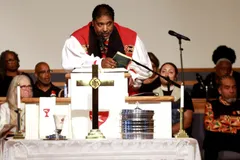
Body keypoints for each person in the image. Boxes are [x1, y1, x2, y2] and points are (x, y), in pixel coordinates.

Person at [62, 4, 152, 92]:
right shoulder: (78, 39)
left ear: (113, 21)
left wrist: (129, 77)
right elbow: (71, 65)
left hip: (123, 94)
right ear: (93, 23)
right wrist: (99, 64)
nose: (105, 29)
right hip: (87, 94)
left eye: (109, 24)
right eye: (100, 24)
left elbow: (144, 69)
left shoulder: (130, 37)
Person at [203, 75, 240, 160]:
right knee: (211, 139)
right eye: (227, 88)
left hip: (238, 140)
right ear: (220, 90)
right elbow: (210, 125)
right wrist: (235, 128)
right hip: (219, 140)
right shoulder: (211, 104)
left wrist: (222, 119)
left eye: (234, 87)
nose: (231, 91)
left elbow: (215, 123)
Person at [153, 62, 194, 136]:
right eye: (163, 71)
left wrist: (168, 132)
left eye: (171, 72)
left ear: (175, 76)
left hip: (177, 135)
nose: (166, 74)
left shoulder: (183, 93)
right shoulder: (153, 93)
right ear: (159, 75)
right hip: (157, 134)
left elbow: (187, 121)